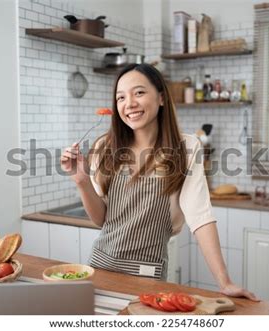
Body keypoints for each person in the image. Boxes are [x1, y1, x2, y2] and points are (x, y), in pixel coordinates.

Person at [60, 63, 257, 301]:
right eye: (121, 97)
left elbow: (200, 217)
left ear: (161, 98)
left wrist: (224, 282)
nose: (129, 103)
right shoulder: (105, 146)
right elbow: (102, 219)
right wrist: (81, 180)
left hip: (148, 273)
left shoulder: (186, 149)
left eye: (139, 93)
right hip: (100, 266)